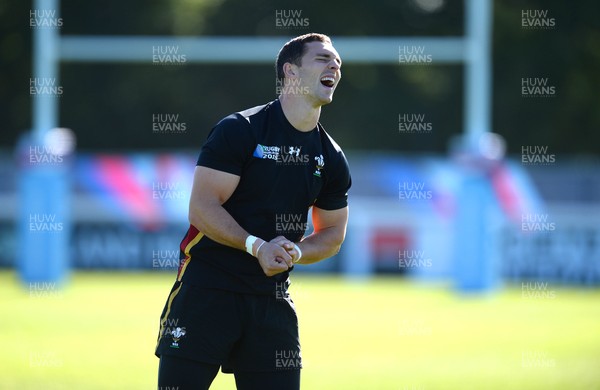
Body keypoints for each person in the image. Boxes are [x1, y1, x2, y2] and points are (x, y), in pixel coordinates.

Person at [155, 32, 351, 390]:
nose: (334, 66)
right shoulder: (240, 130)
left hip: (271, 299)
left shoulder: (332, 157)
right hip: (206, 289)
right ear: (290, 72)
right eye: (323, 59)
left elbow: (333, 233)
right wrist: (257, 246)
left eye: (337, 61)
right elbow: (201, 208)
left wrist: (298, 251)